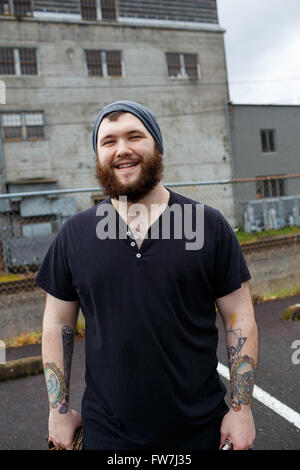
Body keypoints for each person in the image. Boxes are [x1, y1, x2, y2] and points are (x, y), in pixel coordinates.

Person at [36, 100, 258, 451]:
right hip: (108, 435)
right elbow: (57, 323)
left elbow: (239, 318)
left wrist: (241, 409)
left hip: (201, 431)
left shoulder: (207, 224)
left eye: (134, 136)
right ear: (98, 156)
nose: (122, 149)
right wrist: (57, 410)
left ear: (156, 145)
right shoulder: (74, 235)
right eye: (108, 141)